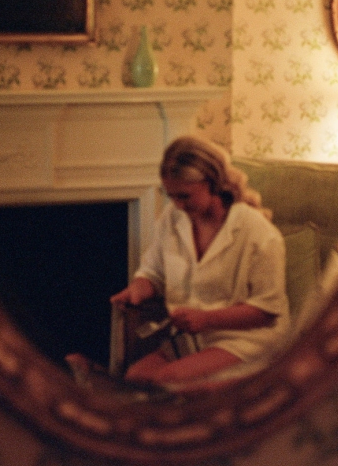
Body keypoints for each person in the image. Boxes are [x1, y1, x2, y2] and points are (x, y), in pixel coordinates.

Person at [109, 135, 289, 386]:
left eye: (184, 196)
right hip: (191, 338)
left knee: (169, 379)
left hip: (247, 339)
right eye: (170, 196)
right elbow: (154, 272)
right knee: (136, 377)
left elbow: (267, 311)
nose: (177, 205)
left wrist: (206, 319)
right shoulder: (173, 218)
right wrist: (138, 288)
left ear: (213, 183)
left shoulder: (258, 233)